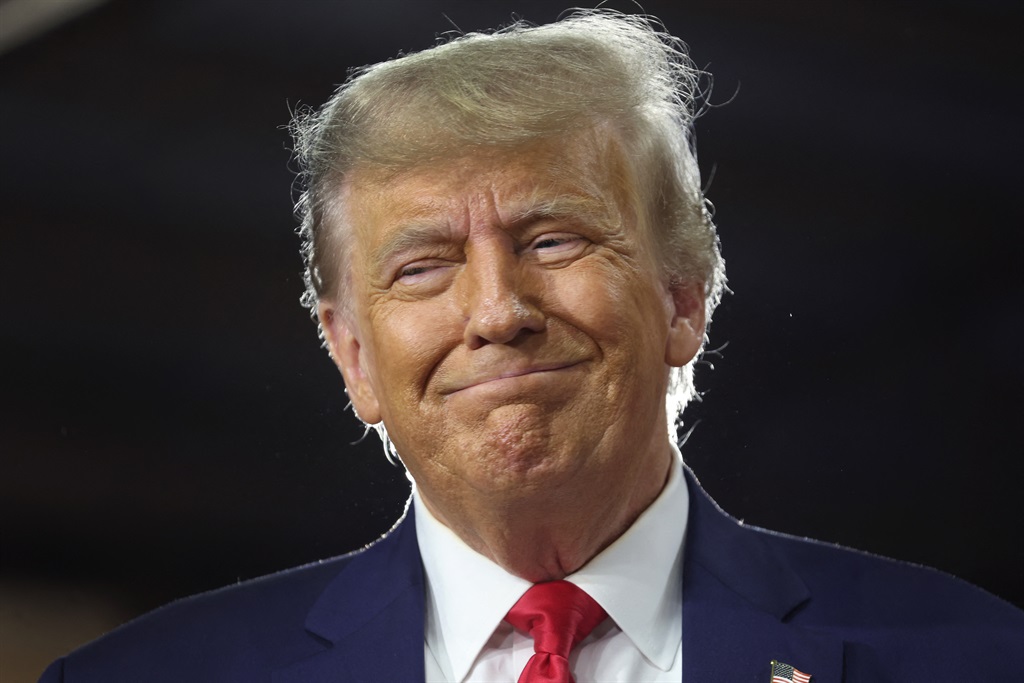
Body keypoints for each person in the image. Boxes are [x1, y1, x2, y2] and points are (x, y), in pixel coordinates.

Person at [39, 10, 1023, 683]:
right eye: (423, 265)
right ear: (352, 357)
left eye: (552, 240)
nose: (497, 308)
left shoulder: (977, 656)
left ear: (683, 296)